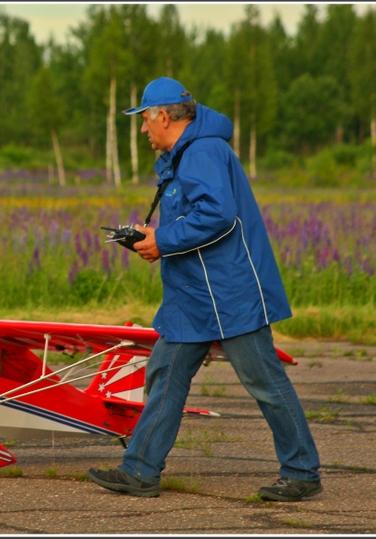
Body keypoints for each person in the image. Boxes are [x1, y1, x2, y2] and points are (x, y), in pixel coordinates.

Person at [87, 77, 322, 502]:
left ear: (163, 116)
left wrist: (162, 240)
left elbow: (217, 215)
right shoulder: (186, 154)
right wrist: (153, 237)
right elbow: (196, 218)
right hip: (193, 296)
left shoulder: (203, 151)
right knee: (165, 373)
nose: (142, 128)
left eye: (144, 119)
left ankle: (302, 472)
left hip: (231, 292)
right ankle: (139, 470)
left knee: (264, 381)